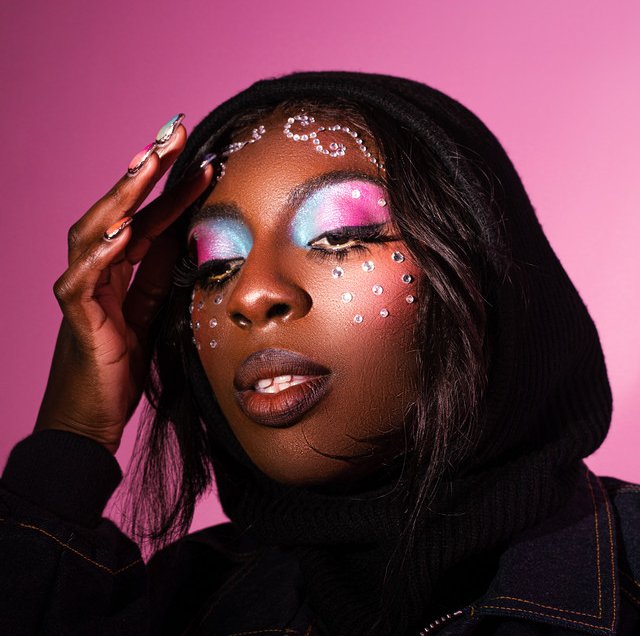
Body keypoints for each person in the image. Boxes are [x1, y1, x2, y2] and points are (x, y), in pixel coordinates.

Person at [1, 71, 639, 636]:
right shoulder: (176, 606)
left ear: (485, 270)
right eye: (215, 265)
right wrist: (73, 438)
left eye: (338, 236)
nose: (251, 294)